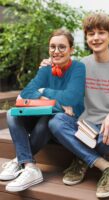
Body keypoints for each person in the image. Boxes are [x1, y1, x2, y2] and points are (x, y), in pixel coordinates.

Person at [40, 13, 109, 198]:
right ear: (86, 38)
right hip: (84, 128)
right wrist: (50, 69)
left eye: (101, 32)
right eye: (91, 34)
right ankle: (107, 167)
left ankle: (81, 158)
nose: (96, 38)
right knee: (56, 123)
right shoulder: (81, 66)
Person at [0, 28, 85, 192]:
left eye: (62, 47)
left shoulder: (78, 68)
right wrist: (54, 99)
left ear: (71, 50)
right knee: (12, 114)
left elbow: (72, 101)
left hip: (62, 127)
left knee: (47, 120)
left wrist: (44, 92)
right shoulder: (47, 68)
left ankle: (19, 160)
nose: (56, 51)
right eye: (52, 47)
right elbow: (24, 95)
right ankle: (30, 166)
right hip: (43, 119)